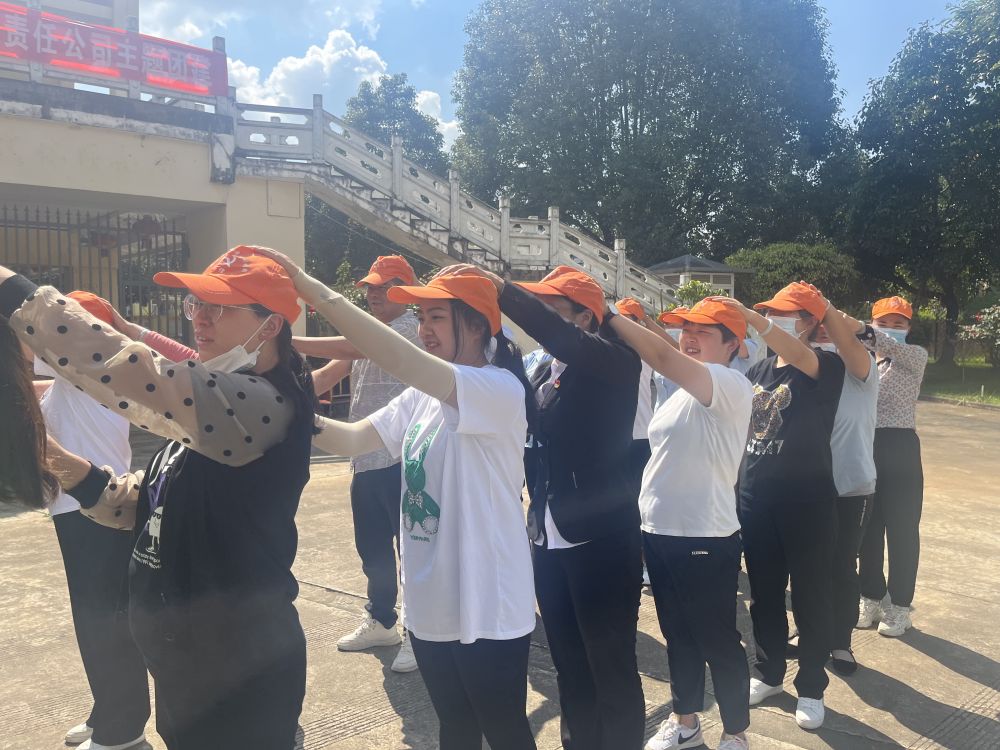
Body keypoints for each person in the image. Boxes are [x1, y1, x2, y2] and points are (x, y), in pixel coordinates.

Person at [1, 246, 319, 750]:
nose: (201, 319)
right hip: (187, 669)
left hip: (239, 672)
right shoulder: (216, 401)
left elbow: (131, 370)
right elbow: (148, 500)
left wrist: (13, 292)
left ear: (271, 325)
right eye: (197, 305)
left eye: (220, 307)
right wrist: (48, 454)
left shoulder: (258, 404)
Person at [253, 247, 538, 750]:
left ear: (477, 325)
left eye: (436, 317)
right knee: (455, 729)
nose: (423, 329)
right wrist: (278, 405)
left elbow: (393, 353)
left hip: (487, 603)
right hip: (429, 601)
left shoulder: (498, 389)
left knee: (505, 732)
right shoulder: (421, 396)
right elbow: (353, 439)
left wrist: (304, 284)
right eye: (421, 317)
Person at [448, 263, 646, 749]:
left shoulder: (617, 363)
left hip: (601, 538)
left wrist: (503, 290)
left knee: (610, 665)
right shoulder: (542, 368)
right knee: (568, 662)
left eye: (551, 309)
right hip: (547, 534)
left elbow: (565, 340)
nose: (540, 320)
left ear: (585, 318)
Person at [611, 299, 754, 750]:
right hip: (660, 531)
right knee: (678, 636)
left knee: (717, 640)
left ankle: (735, 732)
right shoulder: (679, 395)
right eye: (685, 329)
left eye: (703, 331)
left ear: (733, 344)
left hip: (704, 535)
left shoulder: (730, 384)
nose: (689, 338)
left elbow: (661, 354)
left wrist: (608, 314)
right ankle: (686, 723)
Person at [714, 283, 845, 731]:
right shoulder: (759, 370)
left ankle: (811, 686)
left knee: (810, 597)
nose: (773, 320)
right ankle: (769, 672)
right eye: (770, 312)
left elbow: (799, 354)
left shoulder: (825, 365)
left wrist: (752, 318)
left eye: (784, 314)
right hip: (757, 498)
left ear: (809, 322)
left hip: (807, 502)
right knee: (765, 594)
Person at [292, 255, 422, 672]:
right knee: (372, 547)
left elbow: (355, 347)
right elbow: (331, 373)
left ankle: (419, 632)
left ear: (406, 290)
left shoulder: (411, 329)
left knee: (413, 550)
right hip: (366, 457)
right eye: (370, 287)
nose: (374, 295)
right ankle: (382, 620)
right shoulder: (368, 332)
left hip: (405, 458)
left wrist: (288, 342)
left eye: (384, 287)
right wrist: (280, 390)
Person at [33, 291, 151, 750]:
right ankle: (109, 712)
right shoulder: (73, 377)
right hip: (80, 508)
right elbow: (39, 390)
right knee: (95, 619)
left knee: (106, 622)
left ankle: (123, 730)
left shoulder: (91, 369)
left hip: (99, 510)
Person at [806, 288, 878, 675]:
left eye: (827, 325)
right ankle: (813, 633)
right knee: (808, 567)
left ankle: (840, 641)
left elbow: (847, 340)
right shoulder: (805, 368)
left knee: (841, 565)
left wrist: (824, 309)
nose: (822, 329)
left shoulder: (859, 367)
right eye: (813, 324)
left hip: (851, 486)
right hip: (808, 486)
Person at [849, 296, 929, 637]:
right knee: (868, 529)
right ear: (874, 321)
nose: (891, 330)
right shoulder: (865, 362)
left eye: (899, 324)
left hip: (900, 447)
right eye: (883, 323)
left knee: (902, 530)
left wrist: (860, 330)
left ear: (908, 327)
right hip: (867, 446)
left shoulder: (915, 356)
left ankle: (900, 606)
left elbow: (883, 343)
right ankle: (870, 595)